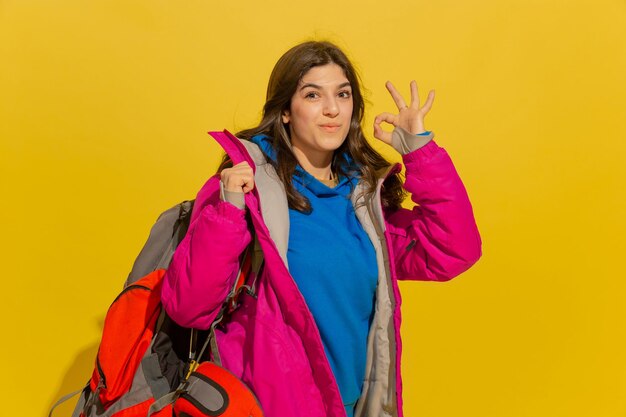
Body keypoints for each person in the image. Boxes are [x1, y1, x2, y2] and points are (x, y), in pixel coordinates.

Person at [160, 40, 482, 417]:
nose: (332, 109)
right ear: (284, 111)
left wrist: (418, 150)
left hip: (354, 406)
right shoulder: (246, 189)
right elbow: (188, 308)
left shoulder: (362, 201)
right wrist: (229, 209)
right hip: (268, 405)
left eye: (342, 94)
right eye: (313, 94)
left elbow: (452, 250)